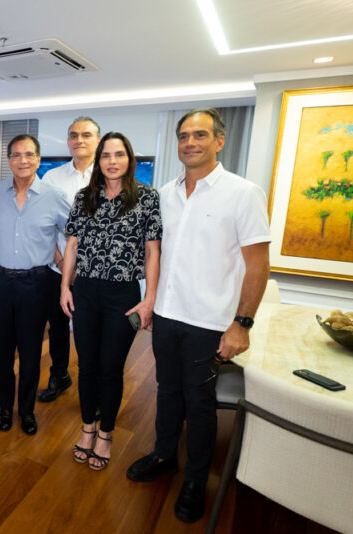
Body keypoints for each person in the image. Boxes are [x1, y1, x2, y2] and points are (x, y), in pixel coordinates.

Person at [126, 108, 270, 522]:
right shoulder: (165, 194)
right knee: (167, 391)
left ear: (219, 142)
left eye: (200, 135)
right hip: (168, 315)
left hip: (210, 322)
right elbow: (157, 254)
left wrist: (242, 324)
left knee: (200, 402)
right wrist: (151, 302)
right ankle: (164, 456)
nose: (190, 142)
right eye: (184, 136)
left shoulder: (243, 193)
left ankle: (195, 480)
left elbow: (258, 264)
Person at [60, 132, 161, 470]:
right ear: (99, 160)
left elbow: (152, 251)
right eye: (106, 155)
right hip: (85, 290)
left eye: (119, 155)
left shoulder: (146, 198)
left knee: (111, 368)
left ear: (129, 160)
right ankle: (87, 428)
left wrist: (149, 299)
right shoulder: (83, 197)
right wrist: (64, 288)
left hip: (124, 295)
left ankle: (106, 433)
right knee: (86, 365)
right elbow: (72, 246)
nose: (112, 161)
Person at [0, 134, 70, 435]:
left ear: (38, 159)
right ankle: (5, 408)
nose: (23, 161)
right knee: (1, 350)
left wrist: (62, 264)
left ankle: (27, 410)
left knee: (31, 352)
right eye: (17, 155)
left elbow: (73, 234)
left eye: (29, 155)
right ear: (8, 160)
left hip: (37, 283)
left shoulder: (53, 196)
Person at [38, 116, 101, 403]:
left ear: (97, 140)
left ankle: (93, 387)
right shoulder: (52, 178)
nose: (79, 140)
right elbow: (43, 225)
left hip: (95, 273)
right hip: (57, 266)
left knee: (91, 331)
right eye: (74, 135)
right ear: (68, 142)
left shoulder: (109, 176)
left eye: (86, 135)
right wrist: (62, 261)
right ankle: (59, 375)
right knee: (58, 326)